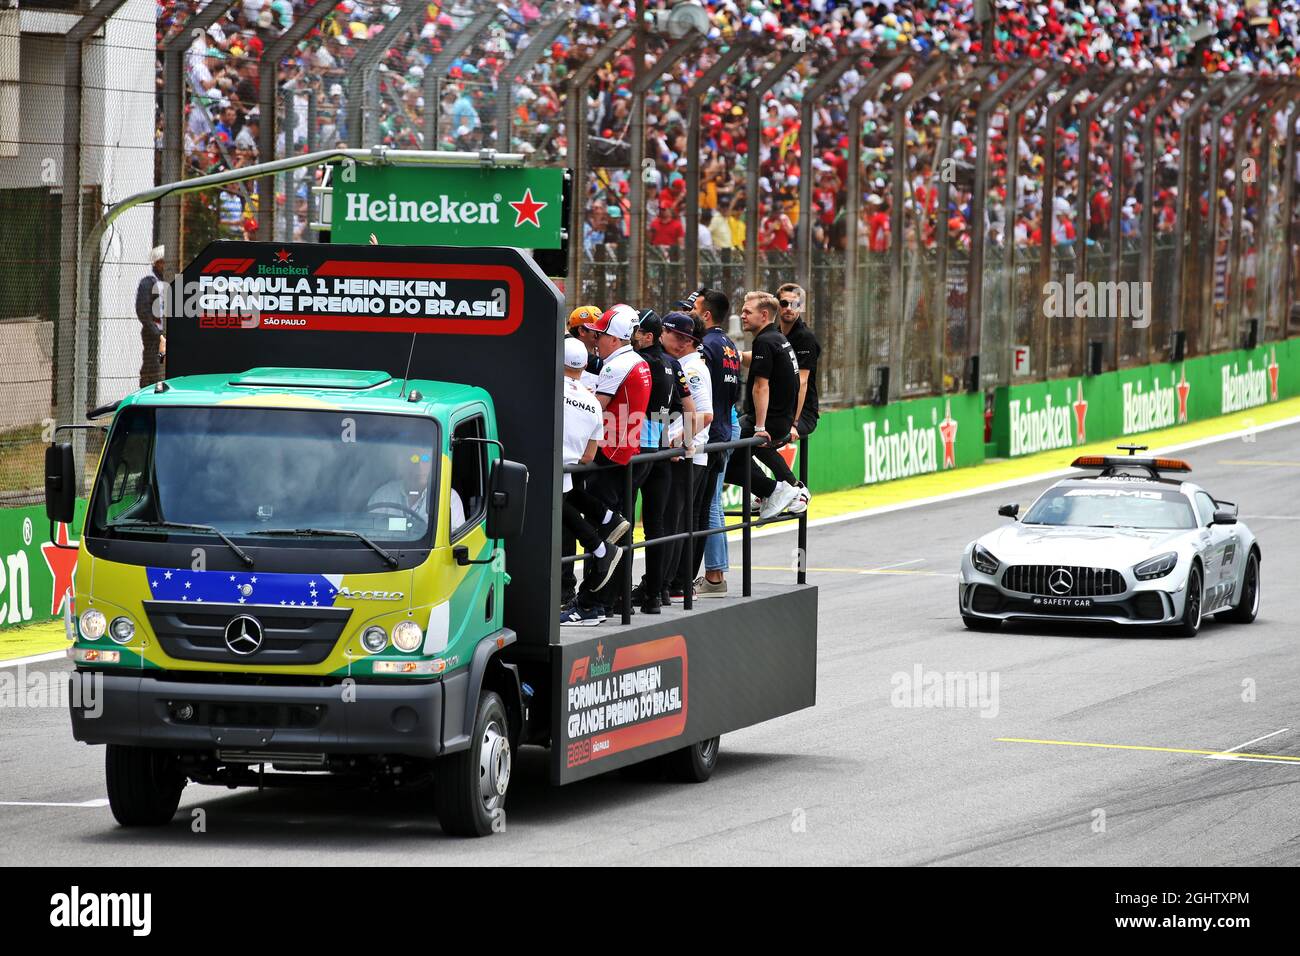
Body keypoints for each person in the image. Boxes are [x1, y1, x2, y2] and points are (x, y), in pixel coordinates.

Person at [563, 304, 649, 625]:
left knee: (601, 538)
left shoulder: (617, 367)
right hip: (624, 452)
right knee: (608, 529)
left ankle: (590, 604)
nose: (596, 339)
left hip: (608, 454)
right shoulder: (637, 362)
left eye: (601, 334)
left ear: (614, 337)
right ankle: (605, 601)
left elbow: (593, 409)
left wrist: (573, 389)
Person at [628, 310, 695, 613]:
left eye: (636, 331)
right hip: (662, 452)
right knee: (656, 526)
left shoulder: (638, 362)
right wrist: (685, 442)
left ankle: (618, 596)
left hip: (638, 450)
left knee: (624, 525)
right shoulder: (673, 364)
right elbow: (689, 407)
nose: (632, 337)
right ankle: (655, 596)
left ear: (648, 336)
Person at [724, 291, 801, 520]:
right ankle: (771, 492)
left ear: (764, 315)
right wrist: (729, 355)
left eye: (748, 312)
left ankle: (790, 490)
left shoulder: (766, 341)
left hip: (770, 421)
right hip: (781, 417)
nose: (742, 315)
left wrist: (759, 427)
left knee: (724, 459)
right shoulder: (775, 338)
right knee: (736, 459)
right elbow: (753, 358)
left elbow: (761, 386)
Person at [559, 338, 622, 619]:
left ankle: (599, 543)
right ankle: (606, 522)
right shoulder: (592, 402)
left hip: (547, 466)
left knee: (555, 502)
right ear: (584, 365)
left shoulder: (549, 388)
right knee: (563, 500)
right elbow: (588, 456)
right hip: (570, 467)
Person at [689, 288, 740, 597]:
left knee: (709, 503)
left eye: (695, 308)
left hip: (714, 430)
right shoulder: (729, 344)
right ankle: (715, 574)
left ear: (706, 314)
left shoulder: (706, 346)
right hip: (726, 424)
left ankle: (715, 576)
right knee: (713, 503)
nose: (691, 313)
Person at [660, 311, 713, 603]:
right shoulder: (687, 364)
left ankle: (666, 584)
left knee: (673, 523)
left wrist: (678, 442)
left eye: (682, 338)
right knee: (676, 522)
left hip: (688, 456)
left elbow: (705, 414)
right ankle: (670, 584)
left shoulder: (690, 369)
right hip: (691, 453)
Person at [776, 282, 820, 514]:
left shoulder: (805, 338)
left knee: (767, 438)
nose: (789, 308)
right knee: (751, 438)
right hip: (779, 410)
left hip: (803, 413)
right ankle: (772, 490)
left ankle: (794, 488)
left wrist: (794, 421)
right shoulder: (773, 333)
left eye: (795, 304)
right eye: (784, 303)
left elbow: (802, 382)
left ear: (801, 307)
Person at [135, 245, 166, 387]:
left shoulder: (164, 282)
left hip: (162, 333)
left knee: (161, 365)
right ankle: (148, 393)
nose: (166, 265)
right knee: (152, 365)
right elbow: (143, 310)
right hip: (153, 335)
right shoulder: (148, 282)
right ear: (156, 262)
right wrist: (157, 334)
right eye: (163, 262)